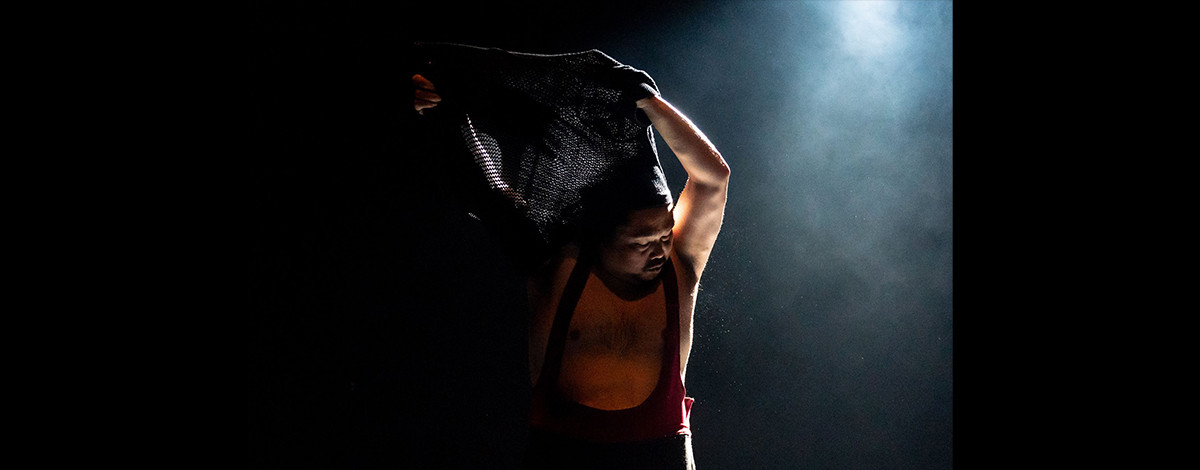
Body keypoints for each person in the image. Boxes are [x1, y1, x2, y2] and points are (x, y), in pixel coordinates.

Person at [413, 55, 729, 468]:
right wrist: (443, 109)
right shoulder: (557, 265)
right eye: (641, 241)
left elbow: (713, 179)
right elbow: (487, 185)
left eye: (665, 235)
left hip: (661, 452)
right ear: (602, 237)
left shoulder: (680, 267)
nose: (659, 249)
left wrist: (648, 103)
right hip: (565, 454)